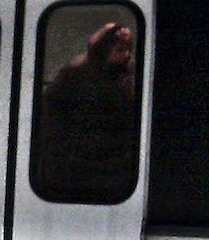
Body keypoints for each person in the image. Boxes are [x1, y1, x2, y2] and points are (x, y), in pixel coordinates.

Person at [37, 21, 137, 201]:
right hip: (77, 166)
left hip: (110, 166)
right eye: (120, 50)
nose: (127, 55)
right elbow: (50, 119)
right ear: (104, 51)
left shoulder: (127, 79)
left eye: (128, 49)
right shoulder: (74, 76)